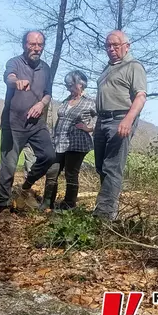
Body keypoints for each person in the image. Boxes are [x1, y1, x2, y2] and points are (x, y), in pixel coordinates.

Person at [0, 30, 57, 218]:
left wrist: (41, 104)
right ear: (24, 44)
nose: (36, 48)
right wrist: (16, 82)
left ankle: (27, 184)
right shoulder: (14, 62)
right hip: (13, 123)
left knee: (49, 156)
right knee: (9, 166)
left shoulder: (45, 68)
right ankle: (4, 206)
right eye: (32, 44)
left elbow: (48, 93)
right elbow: (8, 77)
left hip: (36, 124)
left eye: (40, 45)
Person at [93, 30, 148, 220]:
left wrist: (128, 119)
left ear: (126, 46)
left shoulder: (134, 66)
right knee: (100, 166)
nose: (111, 49)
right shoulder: (108, 68)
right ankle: (107, 208)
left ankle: (104, 215)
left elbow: (141, 96)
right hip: (102, 121)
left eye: (115, 45)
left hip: (120, 119)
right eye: (108, 45)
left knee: (112, 167)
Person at [43, 70, 96, 211]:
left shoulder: (90, 102)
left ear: (80, 85)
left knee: (71, 174)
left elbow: (100, 119)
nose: (67, 87)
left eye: (70, 85)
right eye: (67, 85)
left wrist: (89, 128)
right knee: (52, 171)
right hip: (59, 142)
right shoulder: (67, 100)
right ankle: (47, 202)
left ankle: (69, 205)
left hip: (77, 144)